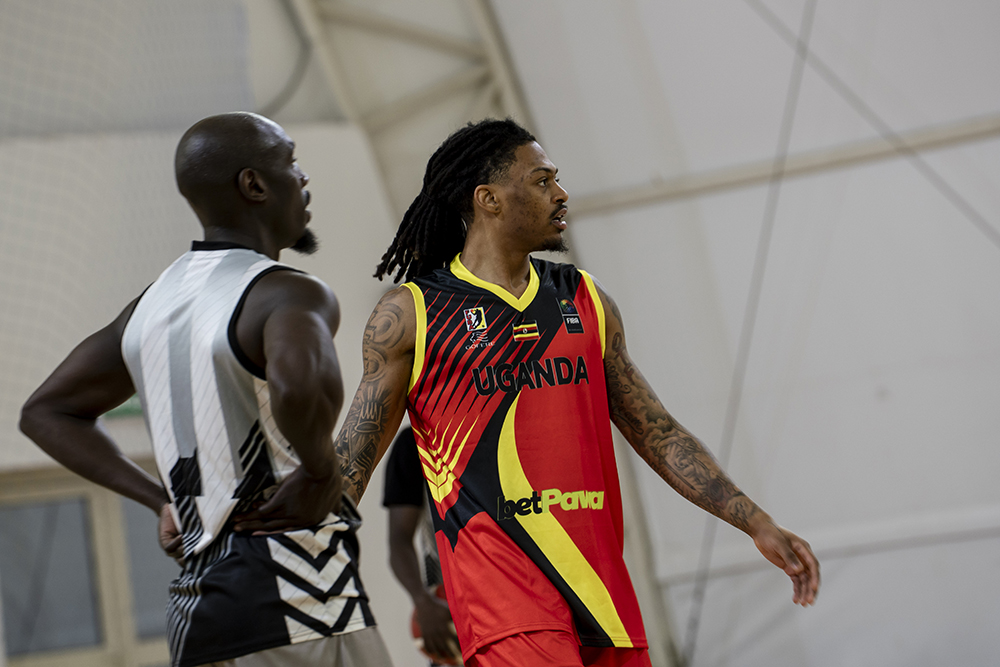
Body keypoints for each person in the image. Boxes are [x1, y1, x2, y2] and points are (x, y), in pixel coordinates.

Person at [334, 118, 820, 667]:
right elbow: (352, 458)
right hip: (503, 603)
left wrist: (753, 520)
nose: (561, 194)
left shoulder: (586, 299)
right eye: (542, 181)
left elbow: (657, 432)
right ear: (488, 199)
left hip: (602, 595)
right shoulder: (412, 313)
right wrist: (303, 558)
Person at [20, 112, 392, 667]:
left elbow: (45, 412)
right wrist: (320, 469)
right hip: (296, 602)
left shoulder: (149, 307)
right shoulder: (289, 293)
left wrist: (159, 500)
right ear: (254, 185)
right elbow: (299, 387)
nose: (303, 178)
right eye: (290, 161)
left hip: (196, 619)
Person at [382, 426, 463, 666]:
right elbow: (399, 540)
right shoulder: (414, 442)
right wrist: (422, 601)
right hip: (448, 604)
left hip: (514, 599)